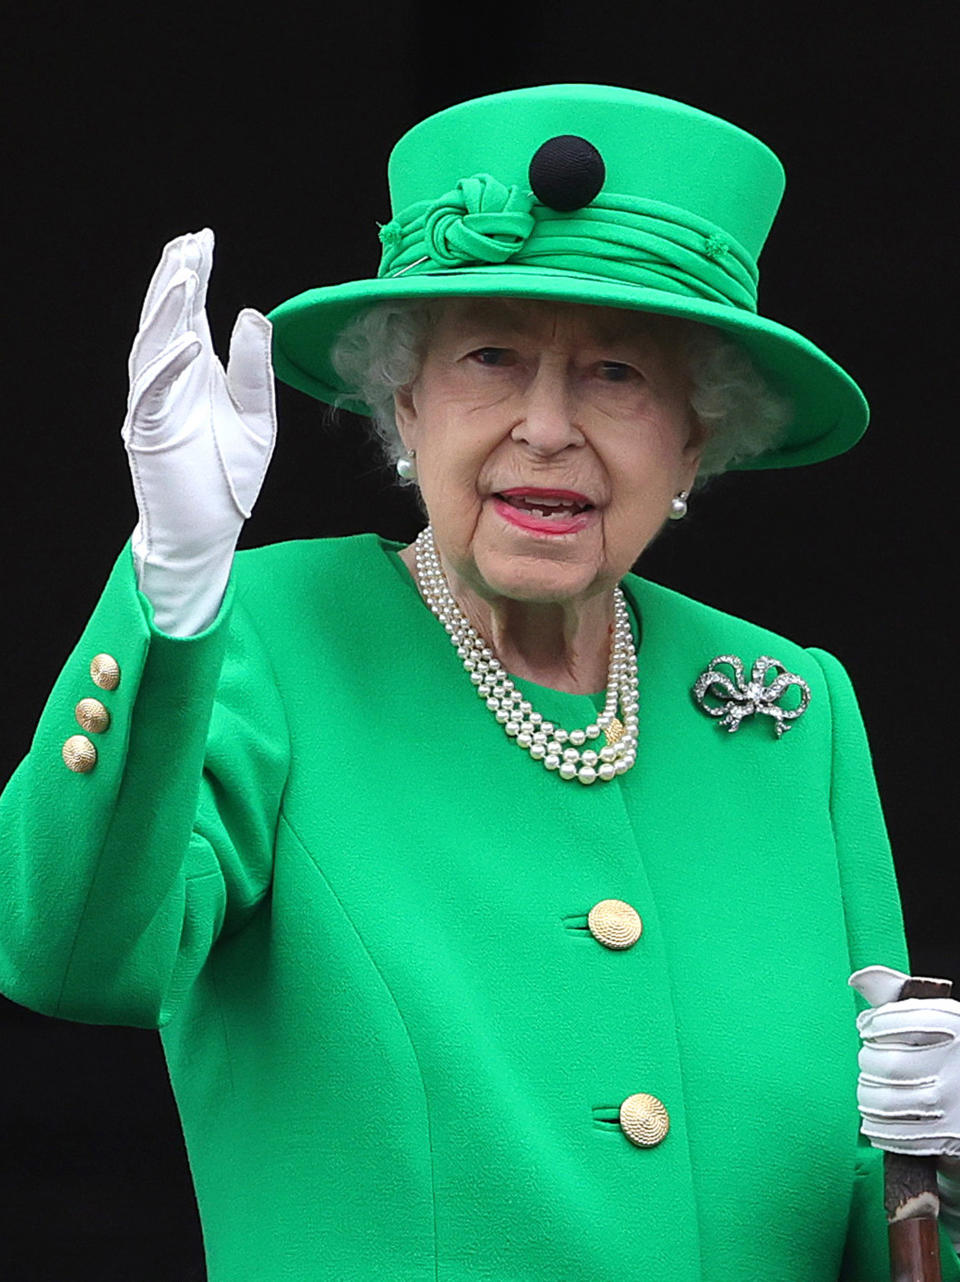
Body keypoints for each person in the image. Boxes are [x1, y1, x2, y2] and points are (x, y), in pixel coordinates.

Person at [1, 83, 959, 1282]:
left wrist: (944, 1168)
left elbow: (894, 1236)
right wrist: (174, 589)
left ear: (697, 439)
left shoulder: (789, 707)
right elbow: (74, 954)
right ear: (405, 402)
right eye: (492, 357)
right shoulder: (264, 641)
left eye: (618, 373)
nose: (545, 427)